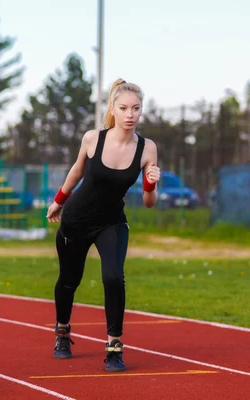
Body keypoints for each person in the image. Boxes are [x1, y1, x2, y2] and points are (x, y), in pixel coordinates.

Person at [45, 79, 160, 372]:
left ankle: (114, 346)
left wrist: (150, 184)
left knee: (113, 277)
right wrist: (59, 200)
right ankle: (62, 331)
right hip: (77, 220)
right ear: (113, 109)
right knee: (69, 281)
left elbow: (149, 202)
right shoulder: (93, 139)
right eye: (123, 108)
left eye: (136, 108)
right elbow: (76, 170)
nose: (130, 114)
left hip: (112, 222)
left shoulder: (147, 149)